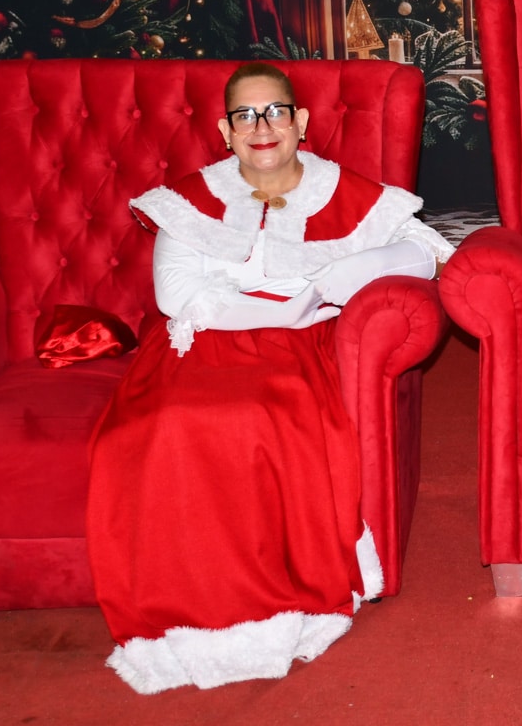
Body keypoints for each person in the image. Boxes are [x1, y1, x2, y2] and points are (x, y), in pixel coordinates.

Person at [86, 61, 453, 694]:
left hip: (295, 348)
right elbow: (177, 296)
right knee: (169, 425)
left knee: (267, 420)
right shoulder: (192, 198)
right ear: (225, 131)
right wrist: (283, 305)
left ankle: (270, 603)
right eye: (245, 116)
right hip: (201, 342)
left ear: (300, 122)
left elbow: (428, 252)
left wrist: (345, 274)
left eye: (276, 112)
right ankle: (185, 606)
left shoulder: (342, 190)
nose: (262, 127)